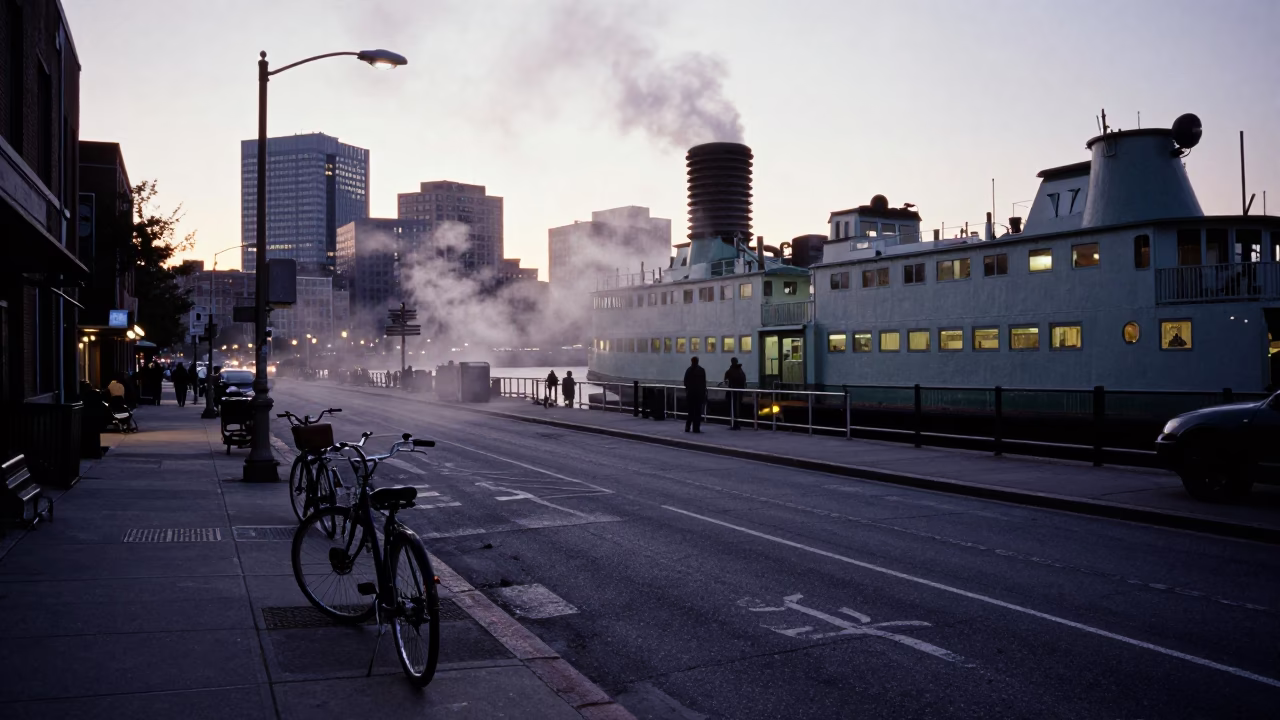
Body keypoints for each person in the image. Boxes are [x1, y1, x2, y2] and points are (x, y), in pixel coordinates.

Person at [684, 356, 707, 433]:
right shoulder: (701, 370)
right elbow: (704, 383)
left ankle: (687, 427)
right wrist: (704, 393)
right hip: (699, 394)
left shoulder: (688, 370)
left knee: (690, 412)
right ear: (698, 361)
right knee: (698, 412)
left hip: (690, 394)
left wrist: (688, 389)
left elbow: (685, 382)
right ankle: (696, 428)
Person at [724, 357, 747, 430]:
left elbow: (726, 380)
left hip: (732, 392)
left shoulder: (730, 371)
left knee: (732, 408)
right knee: (738, 407)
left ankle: (734, 423)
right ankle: (737, 423)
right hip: (739, 392)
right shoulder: (741, 371)